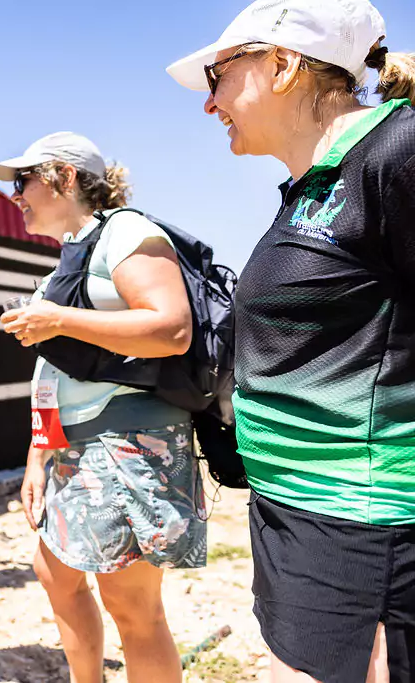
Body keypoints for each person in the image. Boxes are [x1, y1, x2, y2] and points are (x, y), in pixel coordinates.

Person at [167, 1, 415, 681]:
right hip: (297, 513)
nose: (210, 103)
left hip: (363, 523)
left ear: (282, 65)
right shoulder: (310, 188)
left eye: (219, 76)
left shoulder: (397, 150)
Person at [0, 132, 206, 683]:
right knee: (54, 571)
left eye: (25, 181)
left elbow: (172, 327)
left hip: (129, 442)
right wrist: (38, 454)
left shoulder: (127, 231)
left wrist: (58, 320)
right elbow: (54, 373)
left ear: (65, 177)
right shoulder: (73, 254)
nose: (16, 195)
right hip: (75, 446)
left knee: (133, 607)